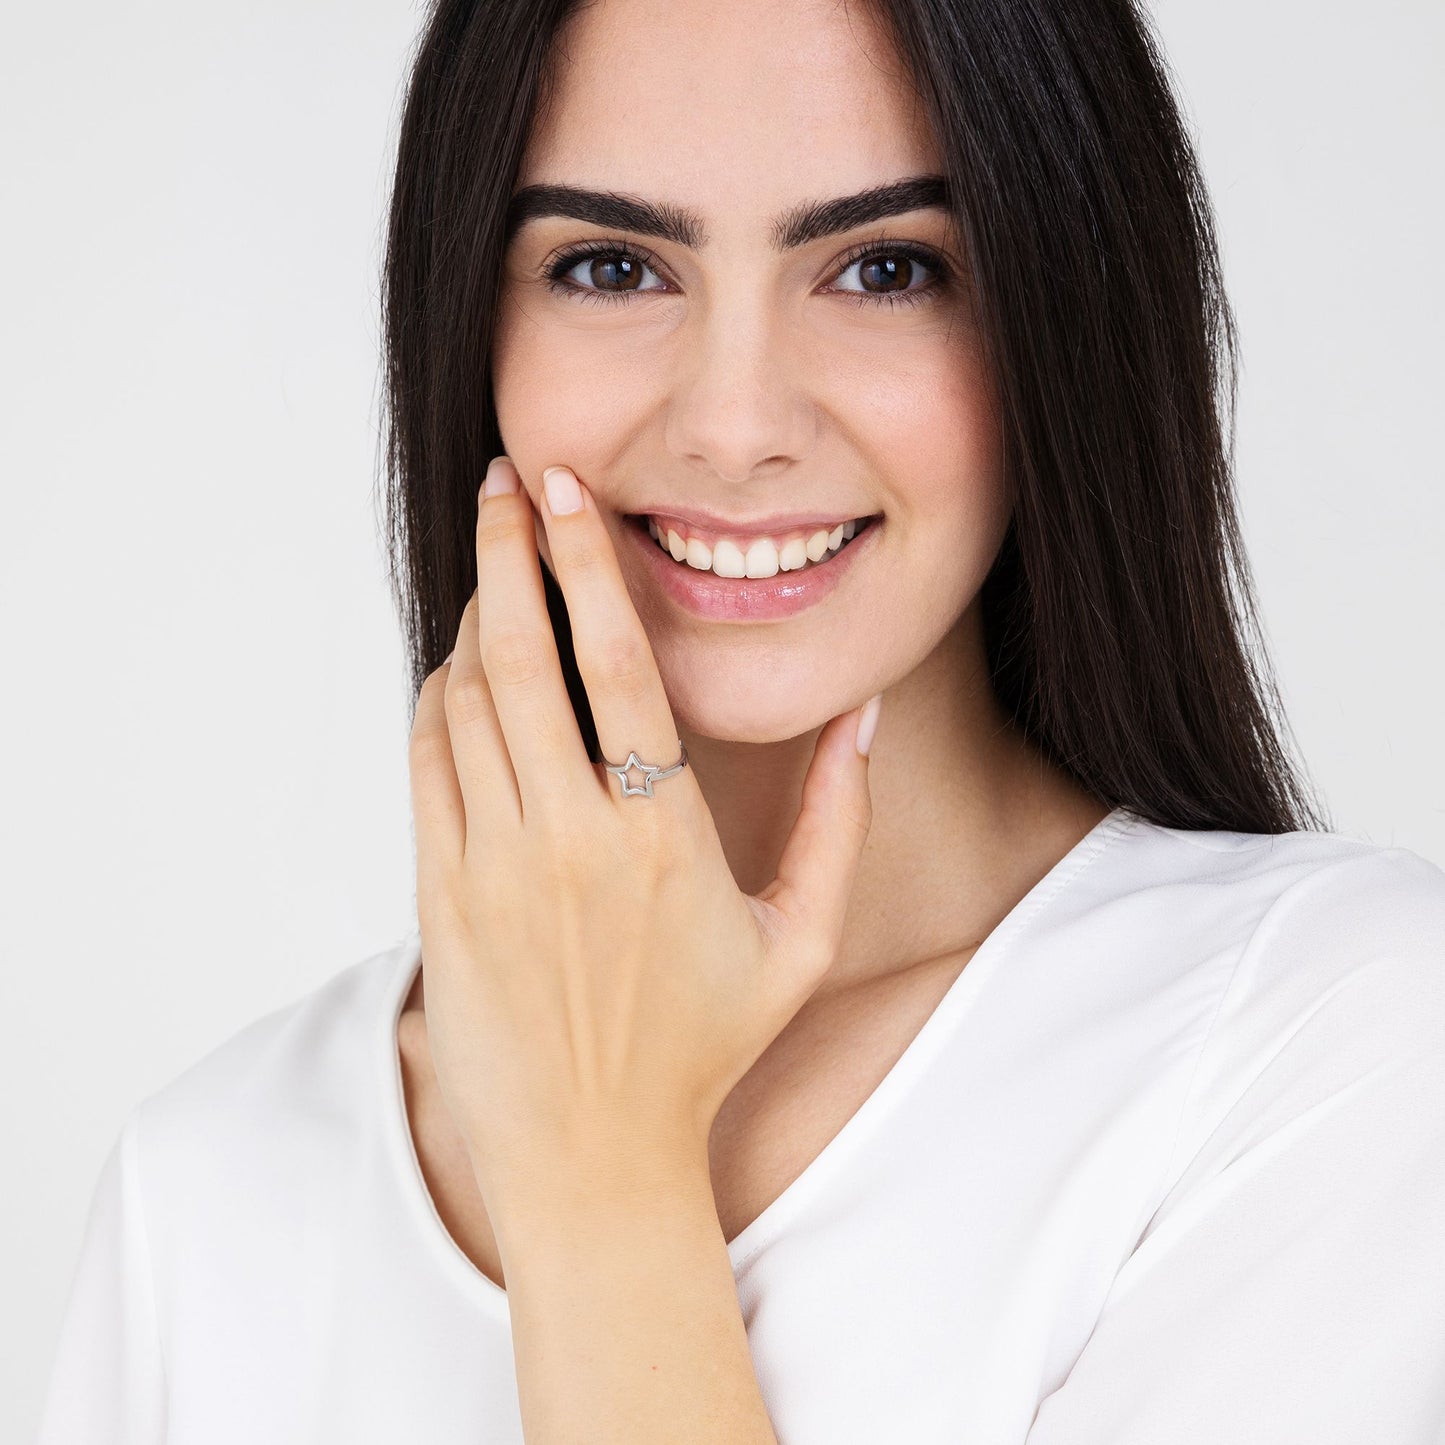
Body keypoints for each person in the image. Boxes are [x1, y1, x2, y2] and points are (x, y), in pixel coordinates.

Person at [37, 0, 1445, 1440]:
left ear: (1062, 313)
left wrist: (605, 1171)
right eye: (611, 266)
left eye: (886, 268)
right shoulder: (206, 1188)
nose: (735, 422)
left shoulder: (1323, 1044)